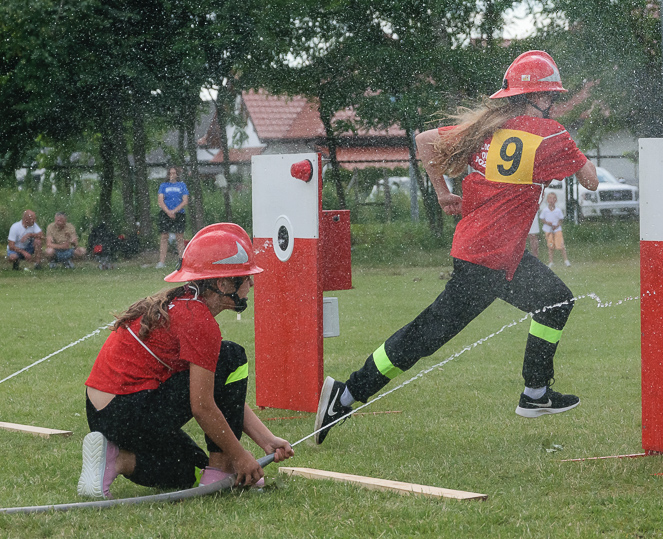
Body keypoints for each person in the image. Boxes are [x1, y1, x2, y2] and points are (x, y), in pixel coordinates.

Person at [314, 50, 600, 444]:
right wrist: (573, 151)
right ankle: (345, 394)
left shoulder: (487, 129)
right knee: (425, 336)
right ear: (534, 97)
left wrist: (442, 193)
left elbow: (424, 141)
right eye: (549, 95)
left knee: (555, 301)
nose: (553, 102)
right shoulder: (551, 134)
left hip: (498, 255)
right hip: (487, 260)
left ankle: (535, 393)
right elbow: (590, 181)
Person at [78, 223, 294, 499]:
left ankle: (116, 459)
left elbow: (222, 392)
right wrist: (239, 457)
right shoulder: (198, 321)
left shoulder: (184, 304)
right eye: (244, 277)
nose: (250, 284)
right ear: (222, 283)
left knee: (189, 469)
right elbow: (202, 406)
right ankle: (221, 468)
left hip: (106, 415)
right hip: (127, 411)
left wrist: (266, 440)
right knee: (232, 356)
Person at [157, 166, 189, 269]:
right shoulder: (163, 186)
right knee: (164, 236)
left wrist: (174, 211)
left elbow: (185, 201)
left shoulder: (182, 185)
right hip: (165, 213)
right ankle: (161, 261)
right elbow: (160, 200)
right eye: (170, 173)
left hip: (179, 213)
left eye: (174, 173)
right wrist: (168, 211)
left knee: (179, 237)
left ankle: (181, 260)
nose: (172, 175)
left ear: (177, 174)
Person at [540, 192, 571, 267]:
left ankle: (566, 260)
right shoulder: (545, 210)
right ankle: (551, 261)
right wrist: (547, 223)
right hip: (548, 230)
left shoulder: (558, 210)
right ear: (547, 200)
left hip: (557, 230)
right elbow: (542, 219)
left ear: (556, 200)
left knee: (561, 245)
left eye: (553, 198)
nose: (551, 200)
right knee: (550, 246)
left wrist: (557, 225)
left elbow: (561, 220)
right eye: (550, 198)